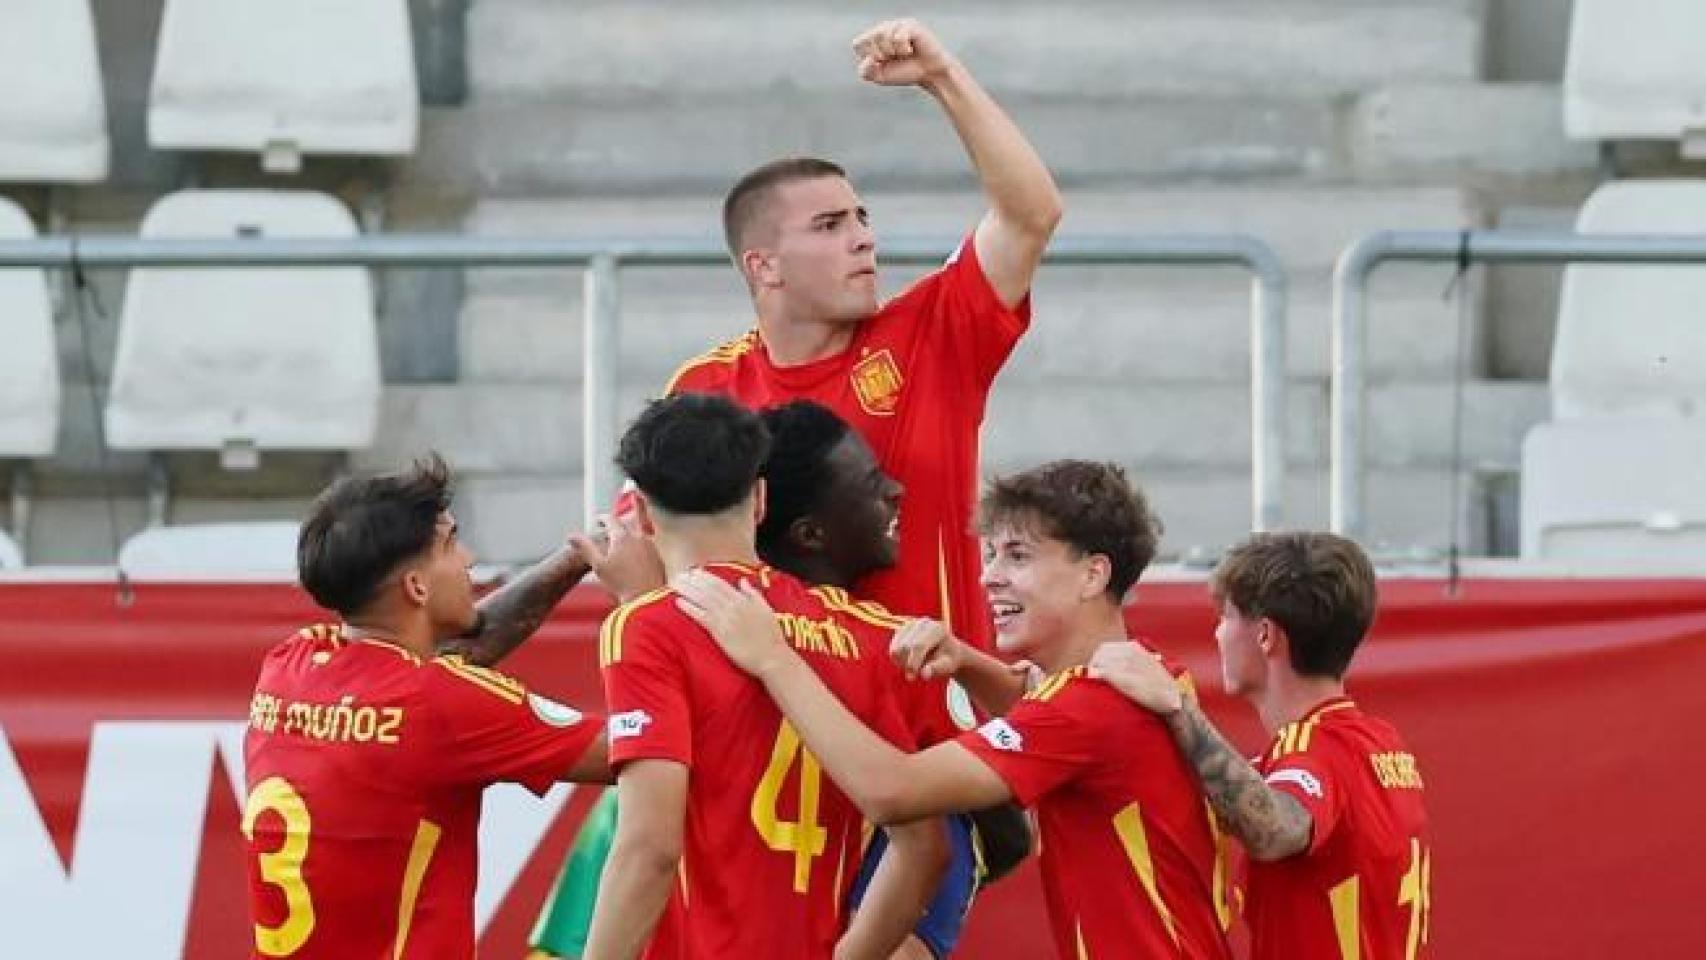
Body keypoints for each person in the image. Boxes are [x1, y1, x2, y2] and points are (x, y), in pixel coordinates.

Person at [675, 460, 1234, 960]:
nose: (989, 575)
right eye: (990, 554)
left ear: (1094, 574)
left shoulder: (1089, 705)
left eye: (1018, 555)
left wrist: (775, 659)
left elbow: (892, 791)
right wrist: (965, 660)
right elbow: (1035, 703)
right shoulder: (1142, 671)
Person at [582, 394, 946, 960]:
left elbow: (649, 849)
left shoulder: (649, 626)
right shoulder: (861, 631)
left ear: (646, 517)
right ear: (759, 499)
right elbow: (924, 844)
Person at [241, 455, 609, 959]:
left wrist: (578, 557)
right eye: (451, 544)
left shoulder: (288, 665)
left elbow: (449, 658)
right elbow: (644, 750)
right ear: (416, 586)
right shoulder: (442, 705)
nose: (470, 559)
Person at [1087, 533, 1433, 959]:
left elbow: (1276, 829)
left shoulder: (1316, 748)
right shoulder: (1378, 745)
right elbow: (1230, 790)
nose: (1217, 634)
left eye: (1225, 617)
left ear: (1266, 635)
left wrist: (1178, 709)